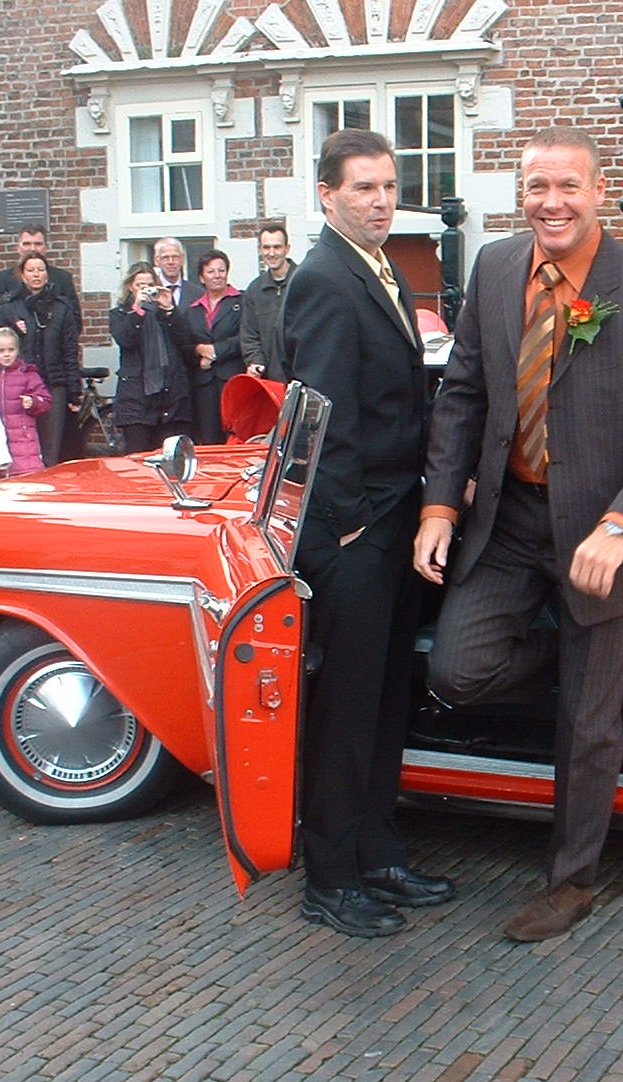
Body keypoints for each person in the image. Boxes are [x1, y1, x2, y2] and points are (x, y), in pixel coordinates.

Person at [413, 127, 623, 942]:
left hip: (603, 531)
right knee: (457, 671)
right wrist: (439, 508)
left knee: (586, 726)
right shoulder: (497, 267)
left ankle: (571, 883)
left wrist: (621, 524)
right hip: (510, 519)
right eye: (537, 187)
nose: (552, 203)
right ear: (522, 193)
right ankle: (596, 664)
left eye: (568, 186)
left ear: (599, 191)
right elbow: (463, 394)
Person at [282, 128, 452, 938]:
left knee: (385, 704)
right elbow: (323, 414)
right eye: (363, 188)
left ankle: (378, 854)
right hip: (354, 533)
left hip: (393, 520)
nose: (381, 201)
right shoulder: (323, 278)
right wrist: (348, 525)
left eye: (388, 187)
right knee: (345, 712)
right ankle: (330, 878)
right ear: (327, 195)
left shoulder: (381, 268)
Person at [0, 251, 81, 464]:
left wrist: (74, 391)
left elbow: (70, 351)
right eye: (30, 270)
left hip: (53, 382)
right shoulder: (9, 306)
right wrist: (12, 329)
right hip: (19, 384)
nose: (36, 274)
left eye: (40, 270)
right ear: (22, 274)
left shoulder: (61, 308)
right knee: (20, 445)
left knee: (51, 448)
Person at [109, 262, 191, 453]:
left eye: (150, 285)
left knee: (168, 458)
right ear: (130, 287)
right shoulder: (120, 314)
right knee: (137, 457)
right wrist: (138, 310)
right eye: (140, 285)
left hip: (169, 397)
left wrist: (170, 309)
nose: (145, 290)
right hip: (136, 398)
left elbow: (185, 339)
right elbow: (125, 339)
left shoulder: (165, 314)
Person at [173, 249, 242, 444]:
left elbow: (246, 338)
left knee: (236, 437)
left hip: (233, 381)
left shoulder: (242, 302)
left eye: (221, 270)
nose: (217, 275)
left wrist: (215, 351)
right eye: (211, 271)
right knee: (209, 439)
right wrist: (199, 351)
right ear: (202, 278)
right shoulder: (192, 310)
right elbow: (184, 345)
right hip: (203, 384)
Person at [0, 327, 51, 476]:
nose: (6, 354)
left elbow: (45, 400)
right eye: (1, 350)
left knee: (27, 475)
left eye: (11, 350)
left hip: (23, 437)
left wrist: (33, 401)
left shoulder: (28, 374)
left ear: (17, 350)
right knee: (1, 478)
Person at [238, 223, 294, 384]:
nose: (271, 253)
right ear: (259, 250)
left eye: (277, 247)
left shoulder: (304, 283)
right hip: (271, 380)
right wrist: (255, 361)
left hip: (304, 378)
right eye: (266, 247)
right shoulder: (254, 290)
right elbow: (249, 335)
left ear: (287, 249)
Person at [0, 224, 78, 309]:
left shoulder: (62, 278)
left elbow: (74, 316)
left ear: (46, 247)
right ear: (18, 247)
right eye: (27, 244)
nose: (32, 248)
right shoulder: (1, 280)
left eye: (38, 244)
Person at [151, 238, 201, 309]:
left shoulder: (197, 293)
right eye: (165, 257)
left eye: (175, 257)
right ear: (156, 261)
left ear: (182, 259)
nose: (171, 262)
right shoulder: (150, 291)